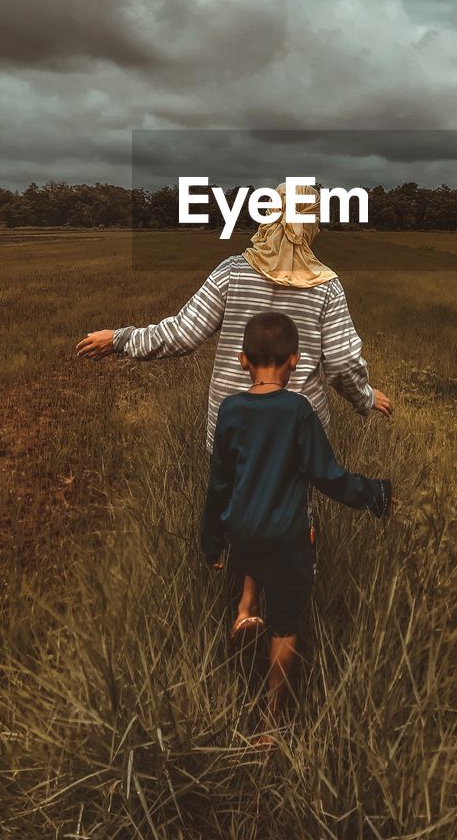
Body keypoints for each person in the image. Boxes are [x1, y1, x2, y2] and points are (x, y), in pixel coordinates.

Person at [76, 182, 394, 631]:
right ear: (311, 223)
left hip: (234, 428)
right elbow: (342, 364)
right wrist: (365, 398)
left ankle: (245, 609)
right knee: (292, 519)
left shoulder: (232, 272)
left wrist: (121, 339)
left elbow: (181, 333)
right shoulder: (327, 286)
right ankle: (288, 618)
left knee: (241, 507)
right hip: (295, 438)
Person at [201, 311, 393, 743]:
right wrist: (374, 495)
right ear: (295, 361)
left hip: (242, 534)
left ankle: (244, 611)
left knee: (250, 539)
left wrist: (211, 542)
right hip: (288, 538)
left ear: (241, 360)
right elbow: (327, 475)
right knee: (285, 624)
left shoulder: (230, 411)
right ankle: (272, 720)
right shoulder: (299, 411)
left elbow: (219, 484)